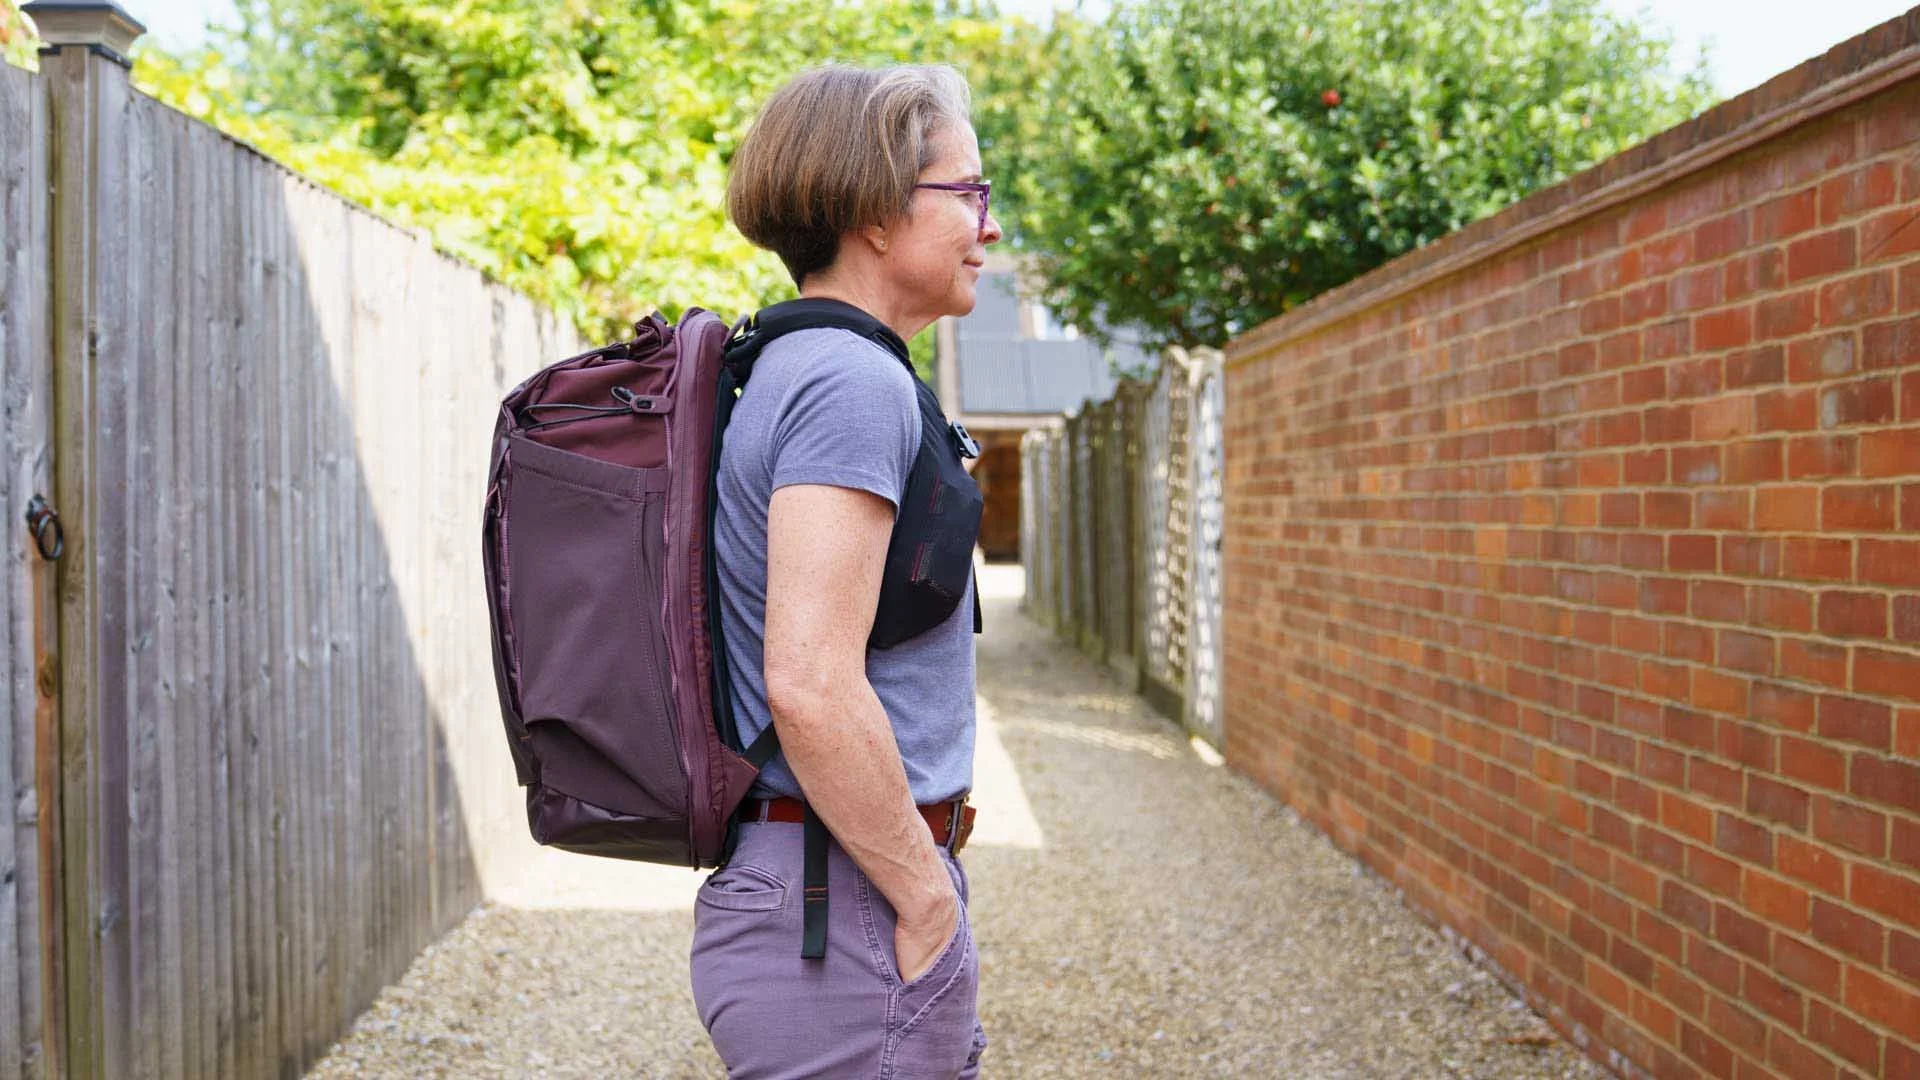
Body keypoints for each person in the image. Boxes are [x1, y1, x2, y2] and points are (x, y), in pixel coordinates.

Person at [689, 64, 1002, 1079]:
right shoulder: (850, 381)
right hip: (847, 901)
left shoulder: (802, 363)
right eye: (970, 192)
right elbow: (812, 681)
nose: (991, 226)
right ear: (875, 209)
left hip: (831, 889)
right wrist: (925, 898)